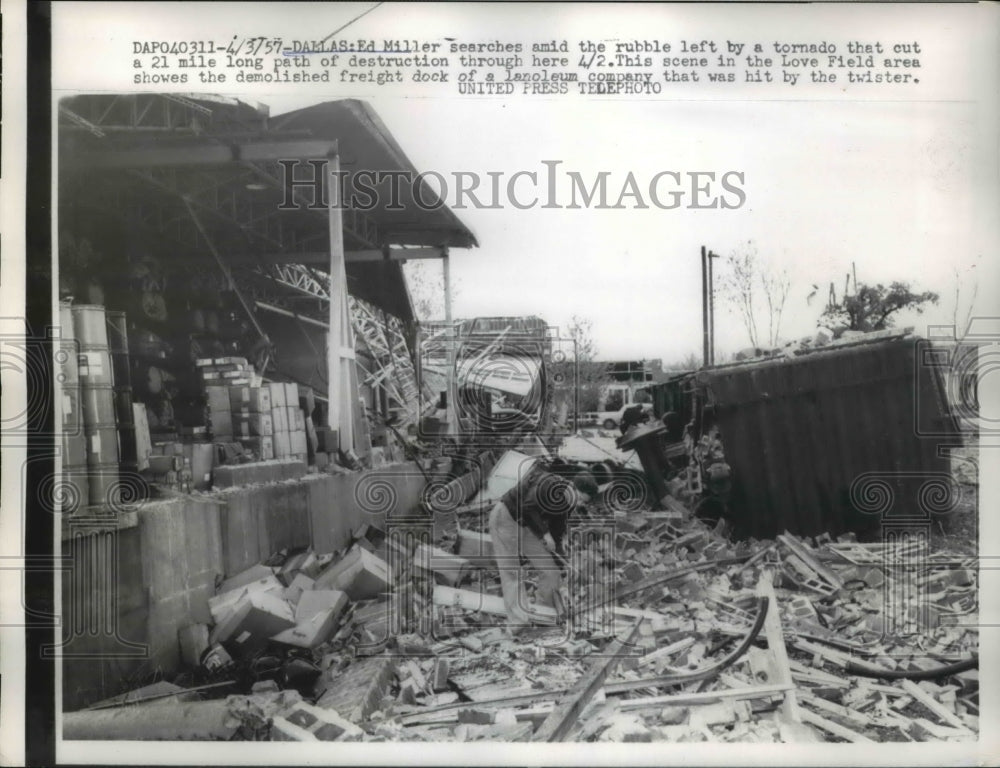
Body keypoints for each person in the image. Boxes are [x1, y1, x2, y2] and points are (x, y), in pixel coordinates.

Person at [488, 469, 595, 633]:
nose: (579, 504)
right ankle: (518, 624)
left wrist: (562, 565)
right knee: (512, 573)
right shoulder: (549, 484)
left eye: (583, 503)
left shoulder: (567, 504)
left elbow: (556, 535)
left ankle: (543, 614)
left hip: (528, 526)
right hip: (506, 518)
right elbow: (528, 506)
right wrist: (545, 534)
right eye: (580, 498)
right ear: (572, 488)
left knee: (551, 571)